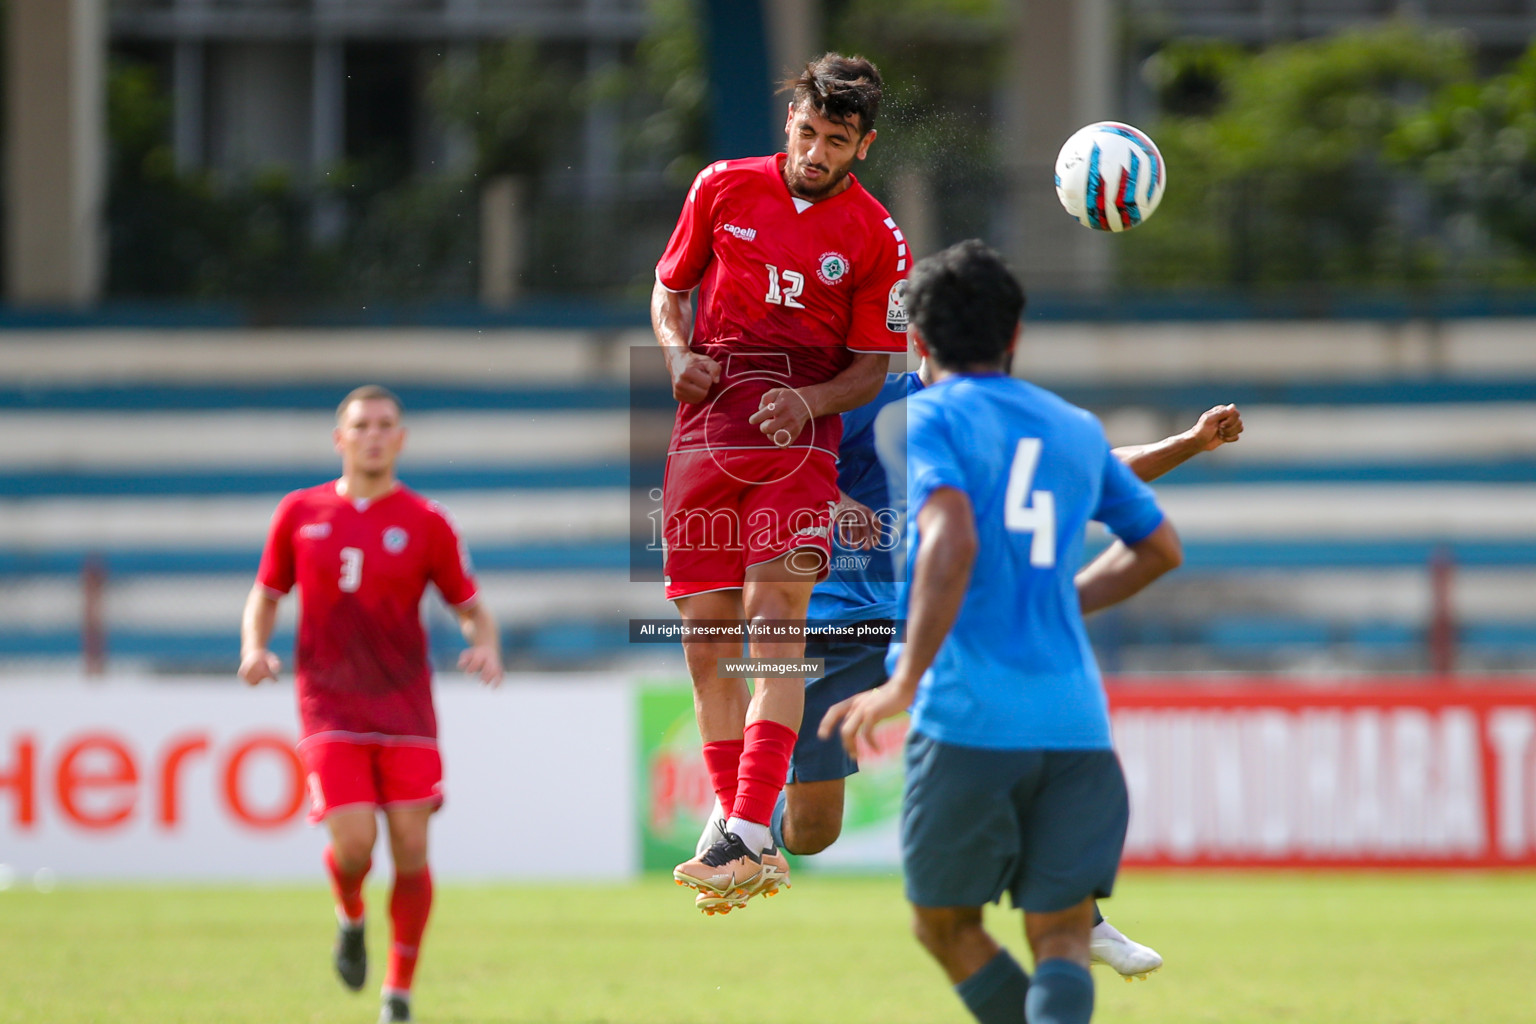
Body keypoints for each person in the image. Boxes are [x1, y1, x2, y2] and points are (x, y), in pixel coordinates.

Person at [694, 355, 1239, 978]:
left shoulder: (1001, 421)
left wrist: (1188, 444)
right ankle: (745, 805)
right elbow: (777, 459)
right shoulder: (871, 398)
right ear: (925, 341)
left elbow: (1089, 473)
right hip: (834, 622)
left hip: (936, 617)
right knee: (815, 830)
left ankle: (1080, 918)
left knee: (1016, 752)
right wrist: (835, 502)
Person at [820, 240, 1183, 1024]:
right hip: (1078, 726)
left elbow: (950, 542)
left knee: (945, 925)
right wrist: (1057, 599)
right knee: (1060, 935)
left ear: (917, 341)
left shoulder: (922, 421)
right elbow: (1160, 549)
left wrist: (904, 681)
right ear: (1015, 333)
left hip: (969, 718)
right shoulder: (1075, 426)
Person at [653, 52, 911, 913]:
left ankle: (749, 831)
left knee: (775, 624)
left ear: (861, 145)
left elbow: (874, 368)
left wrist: (809, 403)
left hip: (800, 443)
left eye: (835, 140)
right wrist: (675, 353)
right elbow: (668, 289)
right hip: (706, 432)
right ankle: (739, 825)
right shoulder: (722, 185)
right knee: (706, 641)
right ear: (790, 123)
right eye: (805, 132)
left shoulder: (880, 237)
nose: (814, 152)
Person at [238, 385, 503, 1024]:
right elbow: (266, 592)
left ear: (401, 439)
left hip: (406, 707)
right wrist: (254, 646)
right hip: (329, 706)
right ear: (341, 439)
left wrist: (486, 646)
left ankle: (398, 994)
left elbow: (469, 608)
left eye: (386, 425)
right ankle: (351, 915)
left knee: (411, 846)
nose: (374, 435)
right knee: (355, 844)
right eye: (362, 425)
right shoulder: (299, 513)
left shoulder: (426, 521)